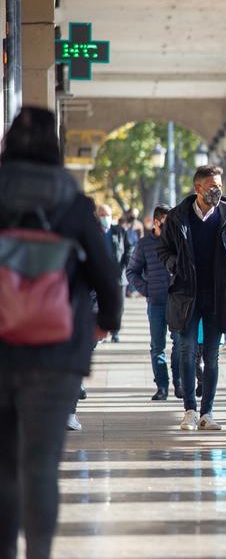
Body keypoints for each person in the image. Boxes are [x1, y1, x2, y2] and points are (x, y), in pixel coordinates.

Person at [0, 107, 123, 559]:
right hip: (55, 354)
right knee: (40, 467)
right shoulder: (72, 203)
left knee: (3, 469)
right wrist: (103, 324)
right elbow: (107, 278)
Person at [158, 165, 226, 432]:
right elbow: (162, 250)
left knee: (212, 355)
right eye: (211, 185)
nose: (217, 190)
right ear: (198, 188)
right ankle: (189, 411)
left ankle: (208, 412)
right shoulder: (177, 217)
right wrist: (175, 264)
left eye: (219, 185)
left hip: (217, 294)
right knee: (186, 353)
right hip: (186, 294)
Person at [127, 204, 180, 400]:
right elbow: (132, 271)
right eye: (167, 223)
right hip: (156, 302)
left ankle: (179, 383)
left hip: (176, 301)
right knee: (157, 346)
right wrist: (146, 288)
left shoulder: (178, 240)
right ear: (156, 222)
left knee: (179, 343)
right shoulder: (144, 244)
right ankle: (162, 387)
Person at [96, 203, 129, 341]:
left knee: (118, 305)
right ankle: (101, 331)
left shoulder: (119, 231)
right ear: (98, 217)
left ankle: (115, 331)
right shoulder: (93, 231)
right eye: (102, 215)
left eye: (107, 215)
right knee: (100, 304)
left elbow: (129, 249)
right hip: (99, 276)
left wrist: (124, 266)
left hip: (118, 275)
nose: (105, 218)